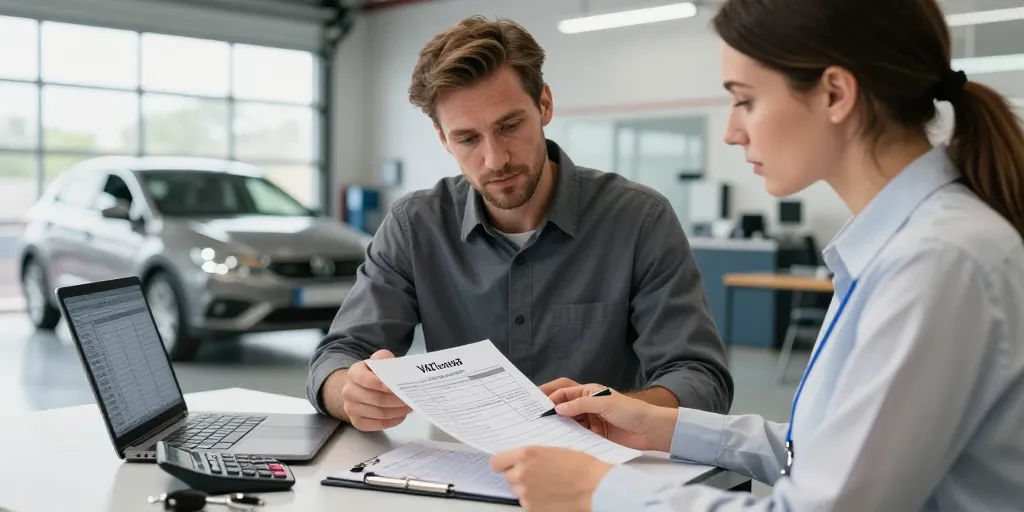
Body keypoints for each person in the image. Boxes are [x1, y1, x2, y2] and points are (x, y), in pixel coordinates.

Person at [489, 0, 1024, 510]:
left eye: (745, 99)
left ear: (836, 93)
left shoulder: (938, 262)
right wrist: (663, 426)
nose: (731, 131)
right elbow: (815, 454)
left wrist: (599, 492)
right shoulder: (904, 248)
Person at [305, 15, 733, 432]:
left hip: (599, 476)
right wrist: (349, 392)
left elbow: (699, 378)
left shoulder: (639, 220)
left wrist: (618, 411)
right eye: (467, 138)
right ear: (442, 137)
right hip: (463, 471)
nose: (495, 159)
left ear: (544, 105)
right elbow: (339, 354)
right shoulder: (414, 225)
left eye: (509, 126)